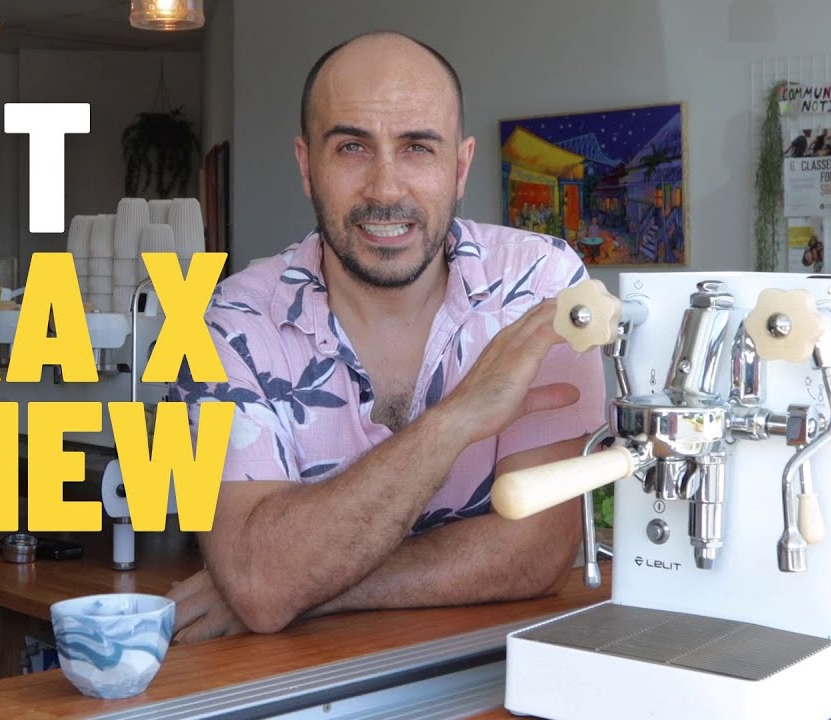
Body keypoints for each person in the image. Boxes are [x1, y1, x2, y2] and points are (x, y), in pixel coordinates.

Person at [166, 31, 607, 643]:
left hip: (501, 668)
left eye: (418, 148)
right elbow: (259, 578)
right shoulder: (231, 324)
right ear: (306, 166)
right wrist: (457, 419)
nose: (386, 189)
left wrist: (300, 587)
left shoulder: (538, 286)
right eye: (352, 147)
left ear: (460, 167)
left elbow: (535, 549)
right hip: (306, 682)